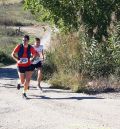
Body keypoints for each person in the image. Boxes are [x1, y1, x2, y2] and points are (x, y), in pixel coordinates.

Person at [11, 35, 37, 99]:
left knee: (27, 80)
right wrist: (18, 60)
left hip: (28, 65)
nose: (24, 41)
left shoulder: (30, 47)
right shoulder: (19, 46)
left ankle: (24, 93)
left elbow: (35, 54)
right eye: (23, 40)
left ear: (28, 41)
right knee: (22, 81)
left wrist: (32, 60)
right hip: (20, 65)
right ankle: (19, 82)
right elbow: (12, 54)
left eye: (25, 40)